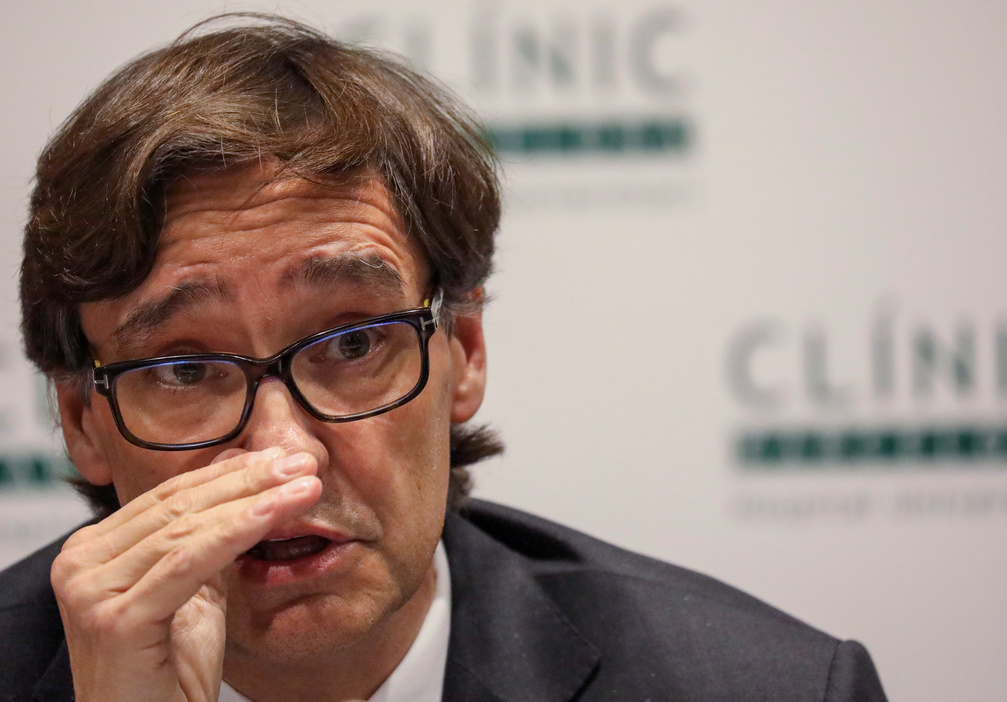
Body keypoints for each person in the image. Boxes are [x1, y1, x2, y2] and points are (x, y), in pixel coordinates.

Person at [0, 15, 888, 702]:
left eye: (353, 343)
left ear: (463, 351)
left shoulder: (770, 687)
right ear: (80, 419)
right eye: (185, 371)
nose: (284, 459)